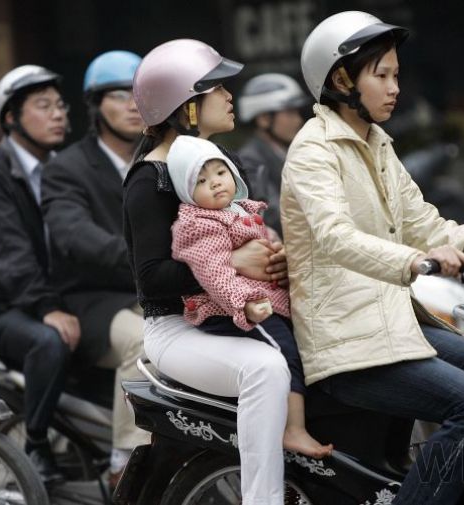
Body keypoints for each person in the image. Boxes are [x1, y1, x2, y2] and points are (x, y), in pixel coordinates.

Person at [281, 11, 464, 505]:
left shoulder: (377, 144)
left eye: (397, 75)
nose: (395, 88)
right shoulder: (314, 151)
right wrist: (414, 262)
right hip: (348, 338)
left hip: (396, 325)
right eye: (382, 75)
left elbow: (428, 224)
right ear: (342, 80)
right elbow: (334, 236)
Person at [124, 39, 292, 504]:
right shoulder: (149, 179)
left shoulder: (222, 163)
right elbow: (153, 279)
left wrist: (271, 255)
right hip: (176, 329)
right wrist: (233, 264)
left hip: (241, 309)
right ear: (187, 107)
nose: (229, 95)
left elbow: (251, 234)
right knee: (266, 369)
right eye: (216, 87)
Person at [166, 135, 333, 458]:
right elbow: (215, 275)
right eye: (200, 180)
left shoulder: (240, 209)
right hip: (227, 310)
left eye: (219, 173)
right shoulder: (197, 224)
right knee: (283, 350)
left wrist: (279, 252)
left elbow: (266, 239)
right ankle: (292, 429)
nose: (214, 183)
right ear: (187, 192)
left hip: (261, 300)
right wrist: (244, 303)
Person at [0, 65, 77, 485]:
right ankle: (37, 444)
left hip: (48, 298)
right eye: (42, 106)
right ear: (11, 118)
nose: (58, 114)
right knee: (49, 343)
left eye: (59, 105)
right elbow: (9, 255)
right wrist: (48, 308)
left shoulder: (61, 168)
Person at [40, 50, 148, 486]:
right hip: (95, 302)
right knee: (145, 343)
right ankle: (123, 462)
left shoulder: (163, 159)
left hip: (156, 291)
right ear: (94, 104)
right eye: (120, 95)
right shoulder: (66, 168)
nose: (134, 105)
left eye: (141, 94)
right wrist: (149, 257)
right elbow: (72, 234)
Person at [237, 73, 309, 238]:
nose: (298, 120)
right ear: (264, 119)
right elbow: (274, 215)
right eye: (290, 113)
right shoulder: (249, 161)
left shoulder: (291, 151)